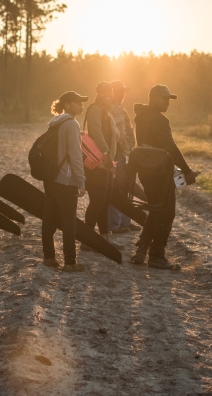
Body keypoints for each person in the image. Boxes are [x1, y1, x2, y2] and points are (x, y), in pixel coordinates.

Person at [132, 84, 198, 269]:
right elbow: (170, 147)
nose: (167, 102)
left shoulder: (141, 117)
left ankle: (141, 249)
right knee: (167, 213)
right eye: (164, 98)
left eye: (169, 98)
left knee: (156, 209)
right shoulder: (160, 120)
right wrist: (186, 171)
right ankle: (156, 256)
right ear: (152, 98)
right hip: (159, 172)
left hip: (145, 171)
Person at [42, 91, 87, 272]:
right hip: (65, 179)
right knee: (69, 221)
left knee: (49, 216)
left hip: (51, 176)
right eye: (77, 102)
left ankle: (49, 257)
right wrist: (81, 181)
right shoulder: (71, 124)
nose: (81, 105)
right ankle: (70, 262)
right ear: (67, 105)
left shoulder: (55, 123)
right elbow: (75, 156)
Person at [82, 82, 124, 250]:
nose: (108, 95)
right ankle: (87, 240)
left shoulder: (107, 112)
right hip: (97, 163)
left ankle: (105, 237)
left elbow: (114, 135)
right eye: (104, 92)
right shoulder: (95, 109)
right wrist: (106, 153)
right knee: (97, 201)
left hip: (106, 163)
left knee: (104, 201)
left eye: (110, 92)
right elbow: (96, 132)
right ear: (98, 93)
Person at [108, 80, 142, 234]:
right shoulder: (116, 110)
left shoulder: (116, 109)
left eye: (123, 91)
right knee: (121, 187)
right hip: (121, 153)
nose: (122, 94)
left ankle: (125, 222)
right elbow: (121, 135)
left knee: (125, 186)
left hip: (122, 152)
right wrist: (128, 154)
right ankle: (116, 225)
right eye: (119, 91)